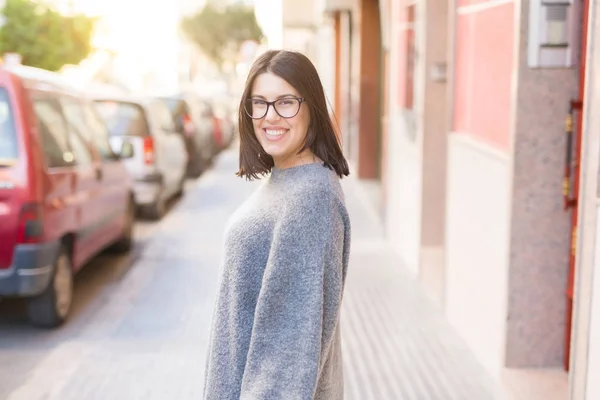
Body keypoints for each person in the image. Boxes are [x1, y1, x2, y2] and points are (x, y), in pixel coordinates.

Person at [202, 49, 352, 400]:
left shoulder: (309, 199)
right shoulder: (287, 179)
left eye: (286, 102)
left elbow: (287, 353)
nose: (270, 116)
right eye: (260, 103)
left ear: (312, 107)